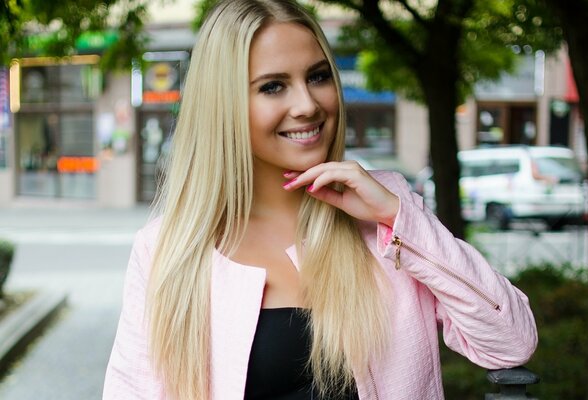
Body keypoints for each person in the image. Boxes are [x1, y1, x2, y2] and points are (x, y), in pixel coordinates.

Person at [103, 1, 538, 399]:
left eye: (318, 76)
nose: (308, 104)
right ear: (225, 104)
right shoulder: (167, 249)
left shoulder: (389, 214)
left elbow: (511, 341)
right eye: (274, 86)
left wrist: (398, 220)